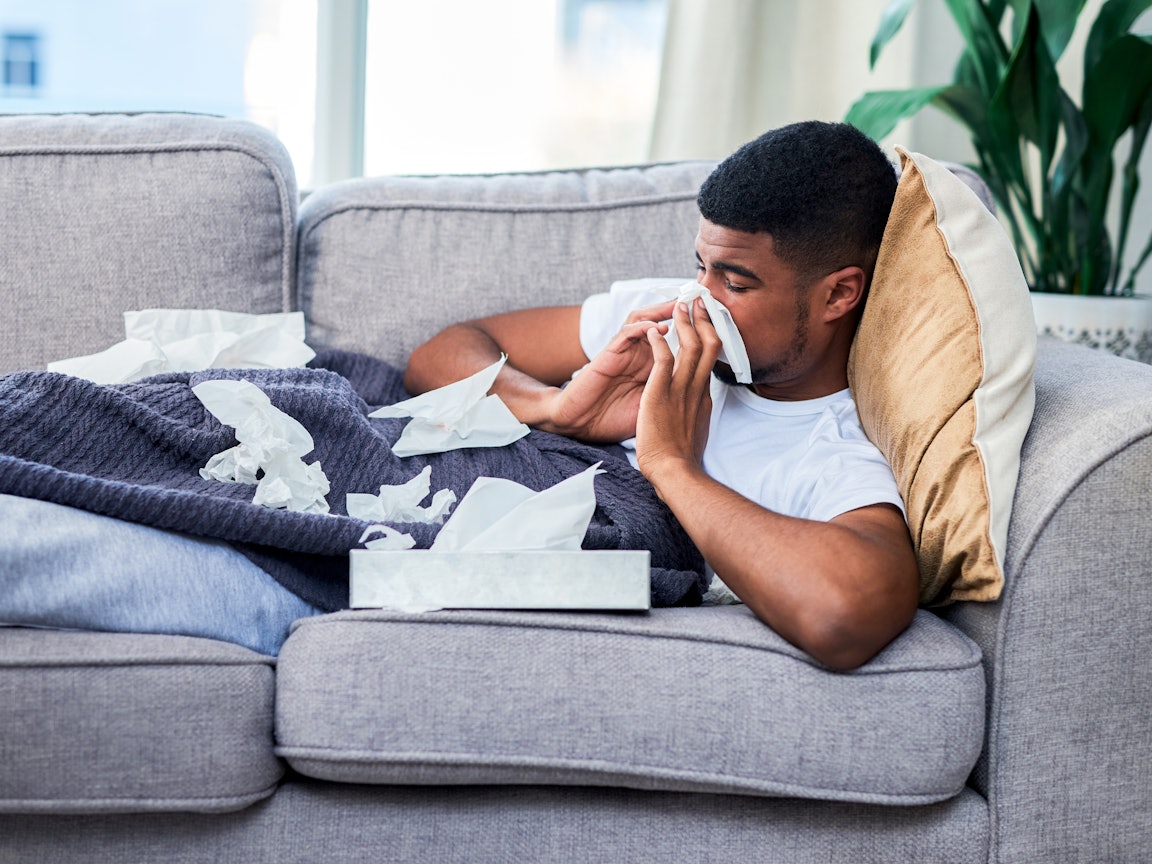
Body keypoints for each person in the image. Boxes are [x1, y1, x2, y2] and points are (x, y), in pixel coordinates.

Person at [403, 121, 920, 670]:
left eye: (737, 284)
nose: (701, 300)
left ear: (838, 294)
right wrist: (554, 409)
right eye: (701, 267)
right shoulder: (661, 317)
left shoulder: (829, 448)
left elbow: (844, 616)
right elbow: (438, 354)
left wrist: (671, 465)